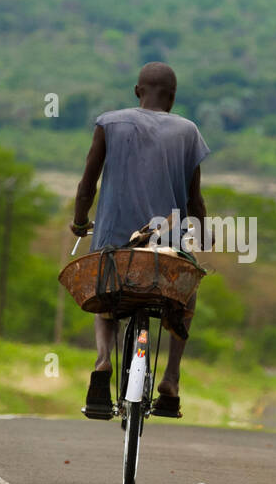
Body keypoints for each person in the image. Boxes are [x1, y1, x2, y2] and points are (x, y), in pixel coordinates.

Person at [70, 62, 209, 419]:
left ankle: (103, 361)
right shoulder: (188, 131)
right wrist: (203, 234)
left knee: (105, 298)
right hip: (167, 246)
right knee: (185, 295)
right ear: (173, 98)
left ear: (137, 91)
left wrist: (79, 220)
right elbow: (194, 200)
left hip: (114, 244)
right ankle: (171, 382)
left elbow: (88, 184)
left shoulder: (109, 123)